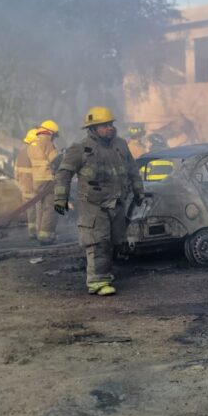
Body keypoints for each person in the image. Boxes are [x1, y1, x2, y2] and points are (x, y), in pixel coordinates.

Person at [53, 106, 142, 296]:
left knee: (116, 241)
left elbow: (133, 169)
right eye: (103, 125)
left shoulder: (121, 145)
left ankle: (105, 274)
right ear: (92, 129)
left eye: (110, 124)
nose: (108, 128)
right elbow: (63, 174)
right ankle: (97, 281)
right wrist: (61, 198)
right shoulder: (81, 149)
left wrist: (138, 191)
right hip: (93, 204)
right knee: (98, 241)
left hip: (117, 202)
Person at [27, 119, 60, 245]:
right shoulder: (47, 142)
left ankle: (39, 232)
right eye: (54, 135)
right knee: (49, 207)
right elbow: (55, 160)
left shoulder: (32, 144)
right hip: (47, 179)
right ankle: (45, 236)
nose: (54, 138)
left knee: (39, 207)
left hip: (36, 180)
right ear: (50, 133)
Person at [15, 128, 39, 239]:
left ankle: (32, 232)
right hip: (36, 187)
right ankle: (40, 232)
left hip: (25, 188)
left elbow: (16, 173)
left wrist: (21, 185)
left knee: (30, 210)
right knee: (40, 209)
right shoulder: (37, 152)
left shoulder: (21, 153)